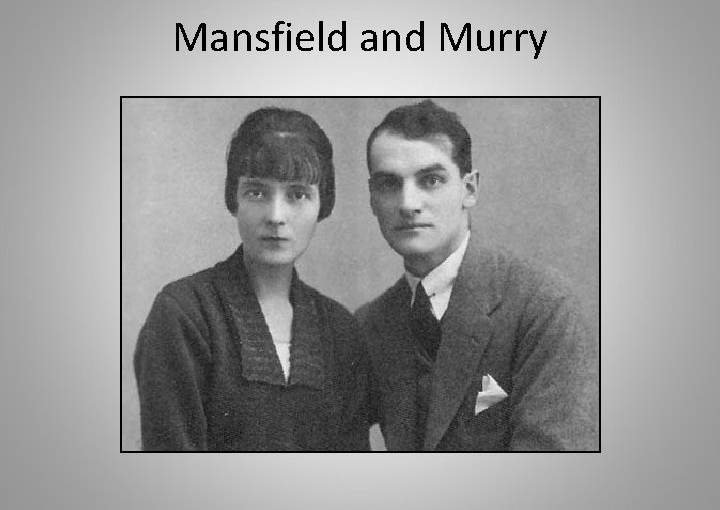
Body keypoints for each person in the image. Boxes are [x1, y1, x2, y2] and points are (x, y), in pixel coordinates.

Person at [357, 100, 598, 451]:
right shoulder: (370, 325)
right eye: (389, 184)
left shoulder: (541, 306)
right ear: (372, 200)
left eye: (431, 180)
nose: (408, 203)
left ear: (469, 190)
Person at [134, 106, 371, 451]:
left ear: (323, 204)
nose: (276, 216)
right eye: (257, 192)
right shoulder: (184, 314)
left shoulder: (340, 330)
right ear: (234, 198)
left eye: (298, 194)